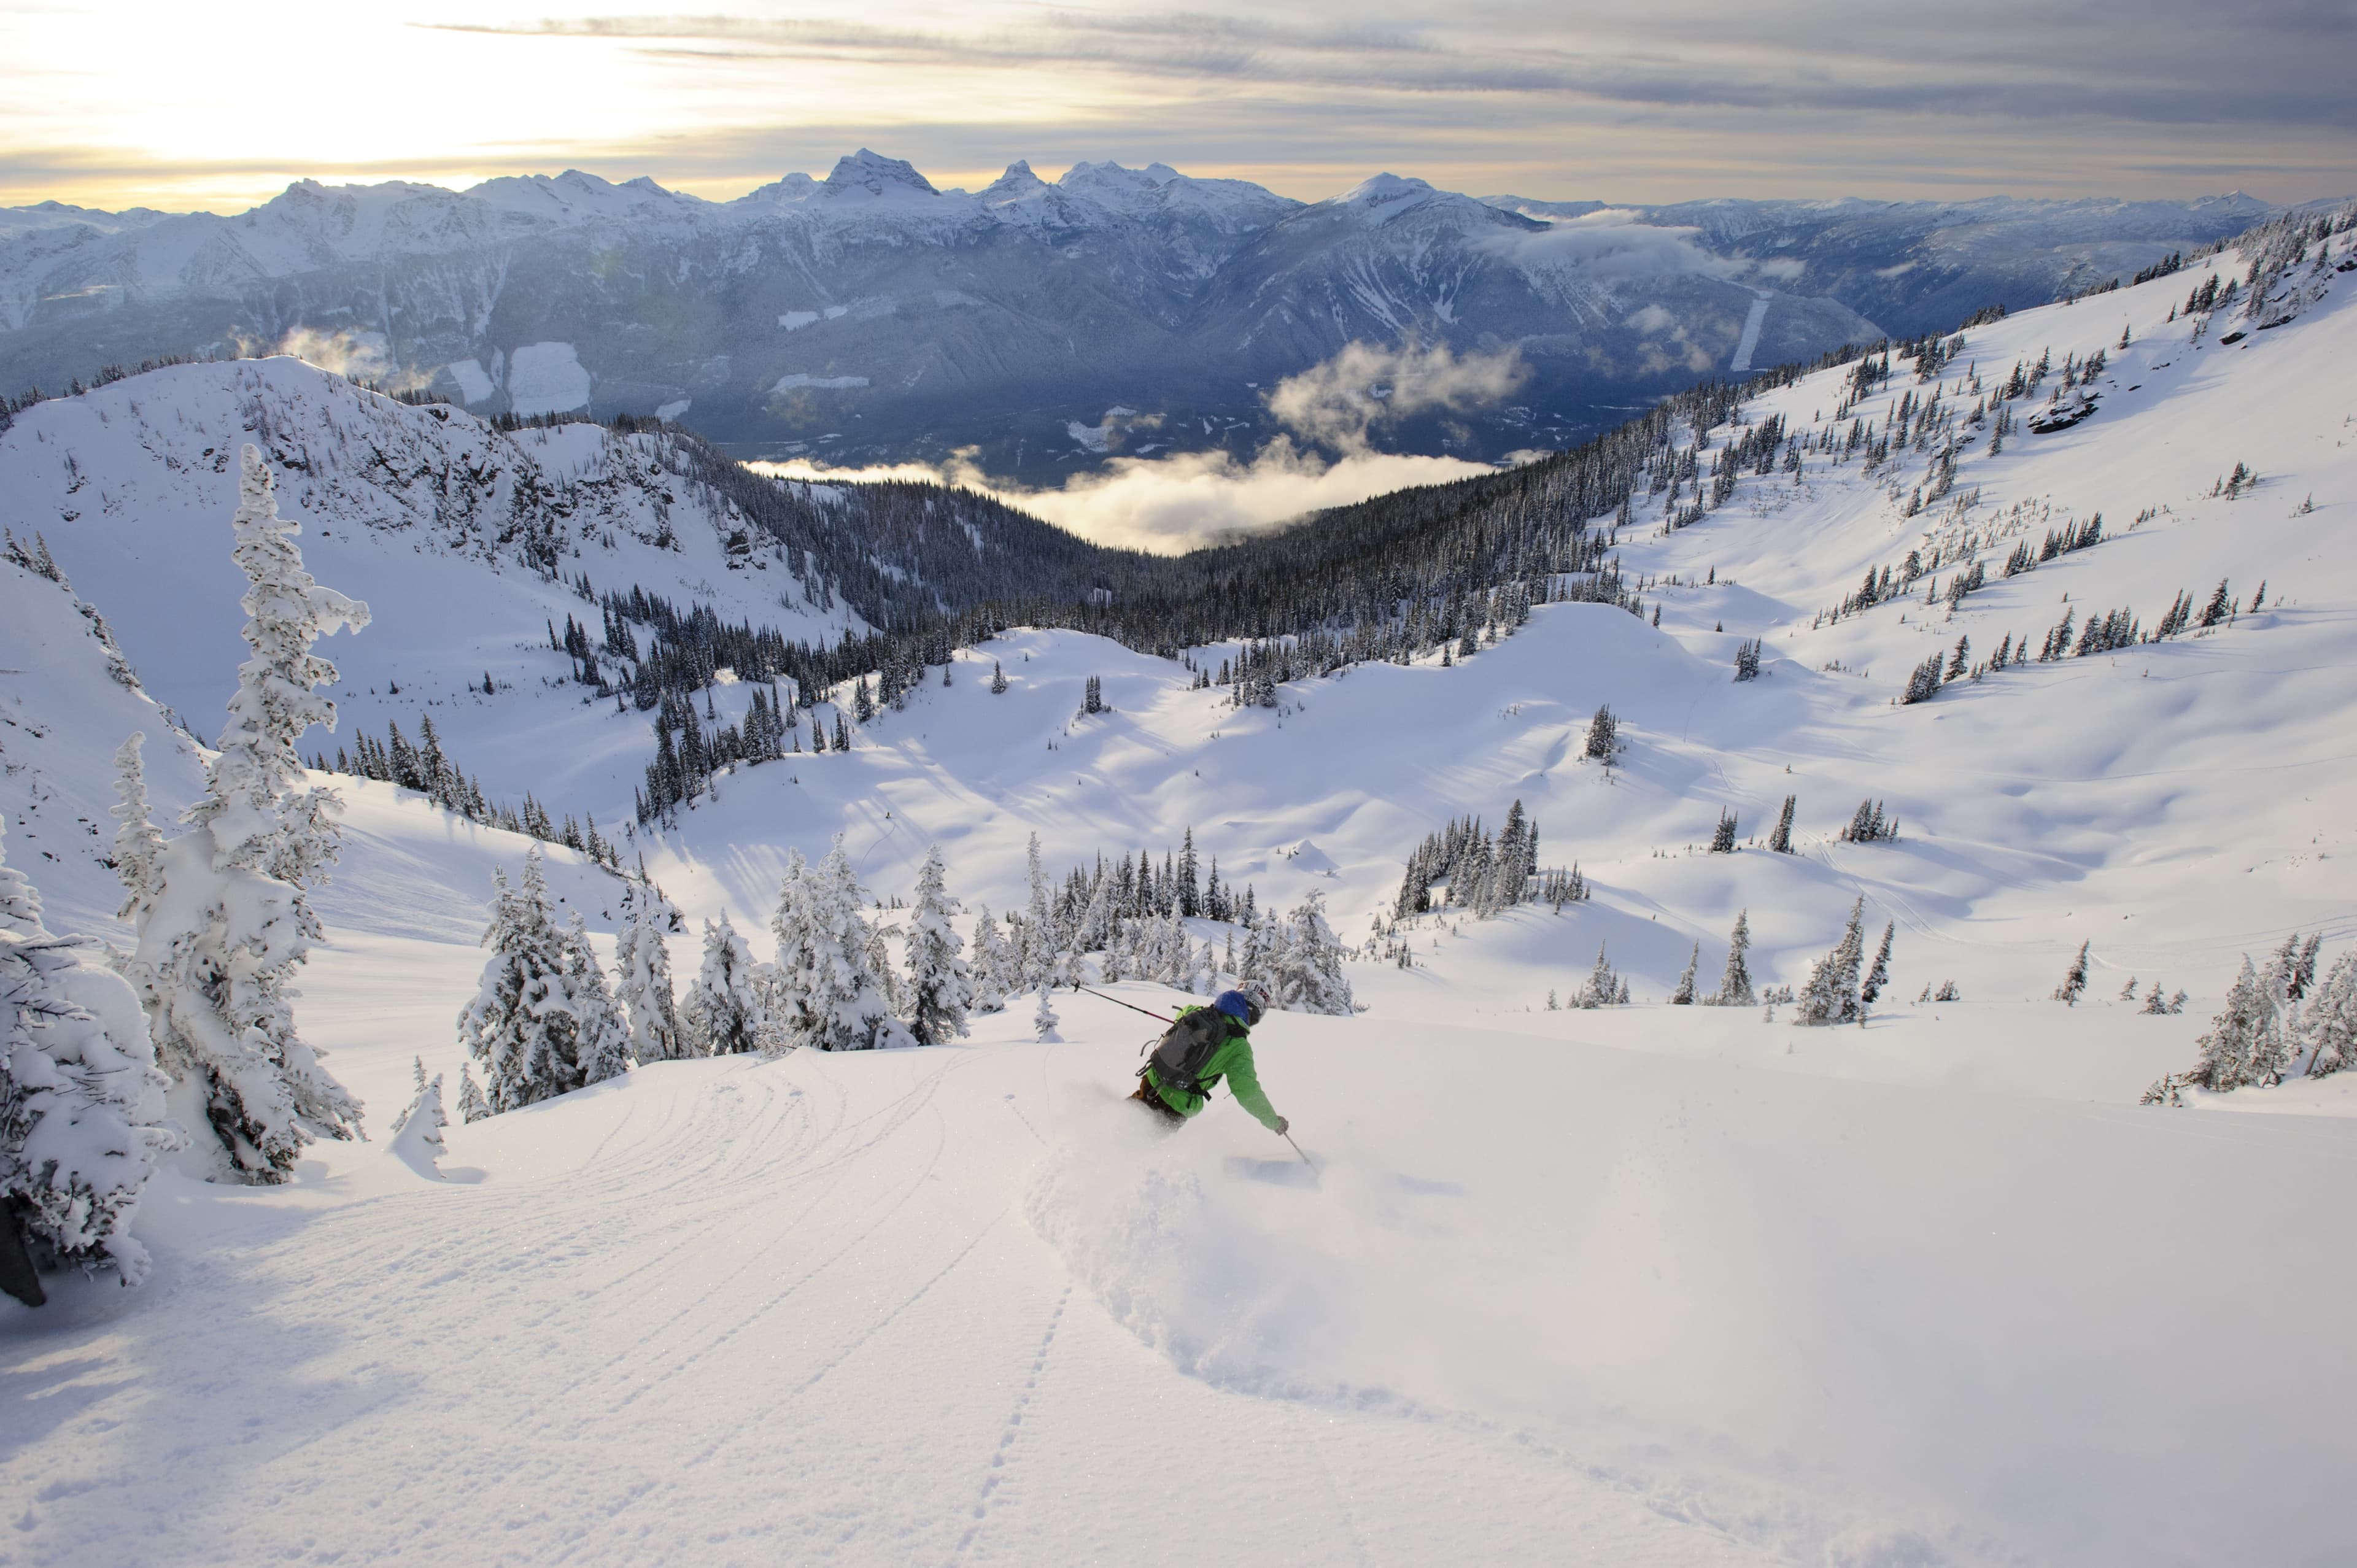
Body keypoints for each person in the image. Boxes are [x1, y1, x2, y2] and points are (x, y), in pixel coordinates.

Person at [1128, 982, 1288, 1135]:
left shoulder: (1199, 1011)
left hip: (1154, 1077)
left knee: (1131, 1115)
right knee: (1145, 1141)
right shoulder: (1239, 1048)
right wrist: (1272, 1121)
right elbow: (1247, 1090)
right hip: (1177, 1102)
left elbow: (1183, 1012)